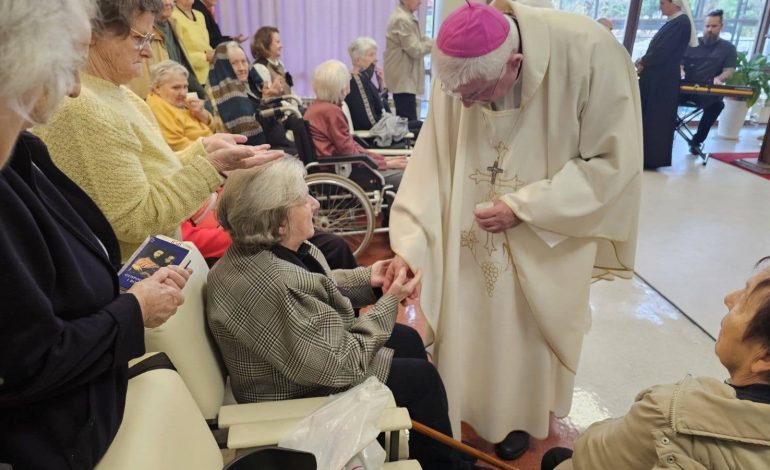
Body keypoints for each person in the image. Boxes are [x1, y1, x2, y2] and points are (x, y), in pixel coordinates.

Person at [385, 1, 642, 461]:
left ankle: (518, 419)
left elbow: (613, 163)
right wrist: (410, 244)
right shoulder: (461, 68)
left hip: (545, 239)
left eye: (476, 95)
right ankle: (461, 411)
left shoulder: (591, 54)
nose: (465, 106)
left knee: (522, 334)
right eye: (458, 96)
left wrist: (526, 207)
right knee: (468, 324)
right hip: (465, 241)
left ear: (515, 63)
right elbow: (431, 162)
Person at [0, 1, 189, 468]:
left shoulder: (25, 153)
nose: (75, 86)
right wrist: (132, 309)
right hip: (58, 440)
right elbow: (32, 360)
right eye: (70, 62)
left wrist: (122, 298)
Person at [207, 157, 477, 470]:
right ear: (279, 221)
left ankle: (437, 451)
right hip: (293, 394)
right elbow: (344, 364)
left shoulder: (254, 253)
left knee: (406, 339)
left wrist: (372, 278)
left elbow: (316, 285)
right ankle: (448, 465)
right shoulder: (274, 284)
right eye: (304, 199)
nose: (315, 204)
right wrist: (390, 300)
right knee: (422, 380)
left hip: (298, 365)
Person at [33, 0, 284, 263]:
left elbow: (150, 172)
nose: (148, 53)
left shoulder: (119, 94)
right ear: (94, 33)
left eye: (149, 39)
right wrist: (212, 167)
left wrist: (202, 151)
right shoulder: (85, 108)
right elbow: (135, 219)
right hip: (135, 271)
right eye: (139, 39)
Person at [542, 257, 770, 470]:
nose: (729, 298)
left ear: (765, 358)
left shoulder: (674, 412)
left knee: (557, 458)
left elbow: (591, 454)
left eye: (744, 301)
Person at [305, 60, 408, 192]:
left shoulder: (316, 108)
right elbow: (349, 152)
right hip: (341, 173)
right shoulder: (331, 112)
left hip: (333, 168)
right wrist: (385, 163)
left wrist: (383, 159)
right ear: (343, 88)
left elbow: (351, 147)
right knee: (404, 177)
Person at [636, 0, 697, 169]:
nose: (660, 6)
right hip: (656, 78)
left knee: (656, 119)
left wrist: (644, 61)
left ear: (675, 3)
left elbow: (662, 51)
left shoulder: (680, 23)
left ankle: (651, 158)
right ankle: (642, 156)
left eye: (663, 3)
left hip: (662, 81)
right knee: (649, 117)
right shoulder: (674, 22)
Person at [681, 9, 737, 155]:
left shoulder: (728, 48)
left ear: (721, 26)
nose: (710, 29)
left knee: (717, 105)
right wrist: (681, 71)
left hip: (708, 92)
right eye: (707, 26)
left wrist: (720, 78)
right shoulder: (692, 44)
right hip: (685, 89)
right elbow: (679, 63)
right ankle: (664, 137)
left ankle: (696, 141)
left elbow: (729, 70)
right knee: (665, 98)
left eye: (714, 26)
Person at [345, 36, 422, 139]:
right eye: (371, 55)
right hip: (375, 134)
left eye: (375, 55)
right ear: (358, 60)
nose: (375, 59)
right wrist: (392, 124)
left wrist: (381, 84)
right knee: (422, 127)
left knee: (420, 125)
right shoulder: (356, 82)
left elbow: (381, 108)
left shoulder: (364, 80)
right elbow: (369, 121)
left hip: (381, 128)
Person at [128, 0, 206, 99]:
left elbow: (182, 62)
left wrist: (201, 94)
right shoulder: (141, 28)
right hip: (156, 96)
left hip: (178, 87)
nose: (169, 3)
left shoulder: (173, 23)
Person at [147, 60, 214, 151]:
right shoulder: (158, 107)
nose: (183, 93)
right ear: (157, 88)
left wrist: (201, 114)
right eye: (176, 87)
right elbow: (177, 146)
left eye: (185, 87)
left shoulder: (180, 102)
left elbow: (214, 127)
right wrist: (213, 146)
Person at [384, 0, 432, 122]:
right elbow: (415, 49)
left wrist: (429, 42)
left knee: (408, 120)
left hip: (405, 78)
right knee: (409, 123)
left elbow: (418, 41)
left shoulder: (407, 17)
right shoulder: (402, 19)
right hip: (403, 78)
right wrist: (435, 44)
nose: (420, 2)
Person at [172, 0, 214, 86]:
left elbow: (205, 45)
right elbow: (178, 55)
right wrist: (205, 57)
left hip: (209, 75)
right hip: (189, 78)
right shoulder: (173, 16)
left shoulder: (199, 15)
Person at [251, 26, 293, 100]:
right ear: (266, 44)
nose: (281, 46)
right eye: (278, 42)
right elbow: (269, 99)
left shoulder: (279, 63)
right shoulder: (260, 67)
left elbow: (289, 89)